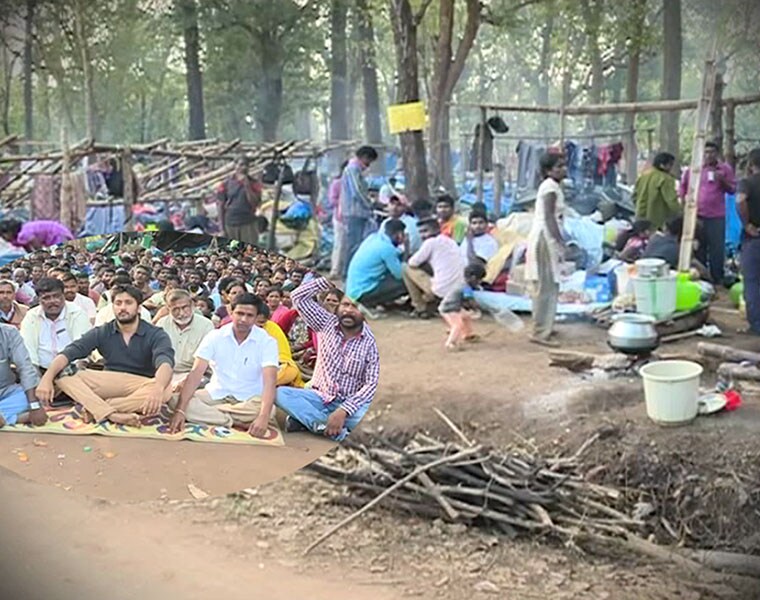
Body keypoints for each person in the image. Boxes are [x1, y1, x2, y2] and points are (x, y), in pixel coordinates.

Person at [35, 284, 176, 427]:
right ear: (112, 307)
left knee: (165, 389)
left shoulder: (156, 334)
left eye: (128, 303)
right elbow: (69, 353)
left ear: (138, 307)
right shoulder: (103, 332)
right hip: (109, 382)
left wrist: (158, 388)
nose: (122, 308)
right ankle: (113, 414)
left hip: (141, 384)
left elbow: (165, 363)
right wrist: (47, 378)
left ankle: (99, 408)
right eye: (118, 303)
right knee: (64, 373)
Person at [275, 275, 379, 441]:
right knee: (280, 394)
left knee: (370, 420)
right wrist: (327, 280)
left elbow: (372, 384)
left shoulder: (372, 341)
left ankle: (307, 420)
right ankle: (322, 425)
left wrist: (344, 410)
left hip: (351, 405)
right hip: (320, 397)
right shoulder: (326, 323)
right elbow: (297, 296)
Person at [167, 293, 278, 437]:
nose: (243, 319)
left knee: (269, 411)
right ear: (231, 312)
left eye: (249, 315)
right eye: (239, 313)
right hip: (215, 394)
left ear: (257, 317)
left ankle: (216, 417)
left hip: (249, 398)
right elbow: (196, 373)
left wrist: (263, 416)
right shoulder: (215, 336)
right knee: (174, 399)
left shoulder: (267, 342)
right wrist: (181, 410)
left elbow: (270, 382)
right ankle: (233, 420)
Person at [525, 153, 567, 348]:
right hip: (545, 237)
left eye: (563, 166)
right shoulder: (550, 187)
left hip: (544, 235)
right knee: (546, 285)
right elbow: (549, 217)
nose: (563, 169)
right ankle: (540, 331)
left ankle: (545, 325)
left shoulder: (553, 186)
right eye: (558, 167)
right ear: (548, 171)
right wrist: (560, 241)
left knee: (548, 284)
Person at [680, 141, 736, 286]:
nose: (708, 155)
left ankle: (717, 277)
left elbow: (732, 189)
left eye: (712, 152)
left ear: (717, 154)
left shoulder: (724, 169)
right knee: (699, 247)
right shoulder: (694, 169)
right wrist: (685, 206)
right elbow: (683, 188)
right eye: (706, 152)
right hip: (697, 215)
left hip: (716, 215)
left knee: (717, 247)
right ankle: (703, 277)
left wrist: (722, 179)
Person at [19, 277, 91, 373]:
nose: (52, 301)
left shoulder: (77, 313)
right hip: (40, 369)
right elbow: (29, 351)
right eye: (46, 298)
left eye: (56, 296)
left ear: (63, 296)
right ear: (39, 299)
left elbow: (82, 348)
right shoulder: (32, 316)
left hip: (72, 368)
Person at [402, 218, 465, 319]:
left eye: (425, 231)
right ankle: (429, 301)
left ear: (436, 230)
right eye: (421, 232)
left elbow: (412, 263)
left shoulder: (430, 242)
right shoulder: (450, 241)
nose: (423, 235)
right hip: (458, 291)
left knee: (405, 268)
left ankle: (420, 307)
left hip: (441, 291)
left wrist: (407, 247)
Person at [345, 218, 407, 313]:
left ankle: (380, 302)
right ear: (399, 234)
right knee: (406, 281)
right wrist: (407, 250)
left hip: (353, 290)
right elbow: (400, 275)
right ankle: (371, 303)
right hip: (363, 292)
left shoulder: (373, 238)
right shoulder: (387, 249)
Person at [156, 289, 214, 387]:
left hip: (195, 374)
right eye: (175, 309)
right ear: (168, 308)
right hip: (166, 373)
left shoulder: (206, 326)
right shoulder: (162, 324)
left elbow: (205, 362)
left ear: (192, 305)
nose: (181, 313)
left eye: (184, 307)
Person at [340, 146, 379, 279]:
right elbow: (357, 191)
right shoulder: (353, 169)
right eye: (369, 161)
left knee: (357, 243)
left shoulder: (355, 170)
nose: (368, 165)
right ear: (364, 157)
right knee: (353, 244)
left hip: (358, 213)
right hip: (354, 212)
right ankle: (347, 273)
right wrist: (369, 204)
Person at [0, 324, 47, 428]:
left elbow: (25, 367)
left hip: (7, 391)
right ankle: (15, 418)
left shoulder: (9, 332)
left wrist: (34, 405)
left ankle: (4, 417)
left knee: (37, 391)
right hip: (8, 402)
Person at [216, 156, 264, 246]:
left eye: (246, 165)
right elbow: (220, 206)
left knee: (249, 251)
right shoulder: (225, 184)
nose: (244, 167)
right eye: (241, 165)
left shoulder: (254, 183)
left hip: (248, 223)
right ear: (235, 166)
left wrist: (247, 186)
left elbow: (256, 203)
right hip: (230, 223)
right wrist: (221, 229)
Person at [438, 263, 486, 351]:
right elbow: (470, 301)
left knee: (466, 317)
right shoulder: (466, 288)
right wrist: (478, 308)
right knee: (457, 325)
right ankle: (450, 343)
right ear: (473, 277)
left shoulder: (463, 283)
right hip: (449, 309)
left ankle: (467, 335)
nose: (480, 282)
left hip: (453, 307)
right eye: (479, 279)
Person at [737, 148, 760, 334]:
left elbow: (740, 200)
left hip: (754, 237)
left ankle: (757, 325)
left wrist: (746, 224)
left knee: (752, 281)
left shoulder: (747, 183)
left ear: (751, 165)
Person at [255, 304, 304, 388]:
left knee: (291, 370)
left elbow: (283, 356)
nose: (259, 326)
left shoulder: (272, 328)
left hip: (272, 366)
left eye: (262, 323)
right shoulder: (242, 329)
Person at [634, 152, 681, 230]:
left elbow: (634, 196)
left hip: (640, 216)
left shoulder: (644, 175)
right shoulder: (666, 179)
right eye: (670, 164)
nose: (671, 167)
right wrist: (680, 213)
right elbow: (671, 201)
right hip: (657, 220)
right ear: (662, 165)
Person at [328, 160, 349, 281]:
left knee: (347, 245)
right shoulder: (337, 183)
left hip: (350, 218)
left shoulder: (353, 183)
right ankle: (335, 270)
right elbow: (332, 200)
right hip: (340, 218)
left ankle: (344, 269)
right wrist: (343, 203)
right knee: (339, 244)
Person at [0, 219, 74, 251]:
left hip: (57, 234)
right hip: (52, 237)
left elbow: (35, 242)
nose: (4, 238)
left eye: (4, 235)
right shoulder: (19, 238)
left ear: (10, 230)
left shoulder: (24, 233)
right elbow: (27, 247)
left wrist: (39, 251)